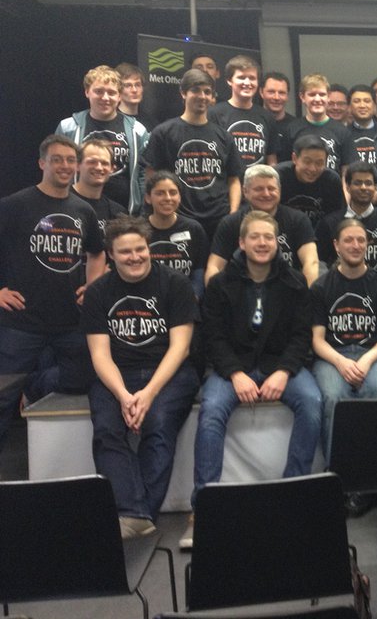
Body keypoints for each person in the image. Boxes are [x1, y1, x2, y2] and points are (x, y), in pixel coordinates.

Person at [185, 210, 322, 548]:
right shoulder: (219, 285)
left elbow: (301, 336)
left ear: (277, 243)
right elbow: (213, 338)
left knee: (313, 402)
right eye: (255, 237)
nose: (263, 243)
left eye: (269, 237)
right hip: (233, 369)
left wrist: (283, 371)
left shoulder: (294, 283)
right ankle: (204, 506)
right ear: (241, 242)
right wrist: (235, 374)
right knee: (211, 411)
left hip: (279, 365)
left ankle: (294, 492)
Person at [82, 216, 199, 538]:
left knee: (159, 424)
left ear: (149, 249)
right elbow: (99, 354)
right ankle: (136, 513)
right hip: (117, 375)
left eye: (140, 249)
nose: (134, 257)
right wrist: (123, 394)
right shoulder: (98, 293)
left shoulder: (174, 283)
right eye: (125, 252)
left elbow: (180, 348)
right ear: (111, 255)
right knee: (107, 429)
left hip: (169, 372)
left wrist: (147, 394)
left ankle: (135, 514)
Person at [0, 135, 106, 450]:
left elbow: (98, 253)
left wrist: (93, 285)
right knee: (3, 397)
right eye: (57, 159)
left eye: (70, 160)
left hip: (70, 323)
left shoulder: (83, 210)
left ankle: (33, 389)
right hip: (21, 322)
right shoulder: (15, 204)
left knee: (82, 383)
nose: (64, 166)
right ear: (42, 163)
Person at [310, 219, 377, 507]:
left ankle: (366, 478)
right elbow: (316, 340)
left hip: (371, 353)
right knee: (333, 397)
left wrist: (365, 360)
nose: (355, 246)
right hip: (332, 356)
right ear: (336, 245)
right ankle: (335, 475)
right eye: (348, 240)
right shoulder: (321, 286)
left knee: (375, 392)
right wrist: (341, 362)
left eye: (361, 240)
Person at [142, 68, 242, 241]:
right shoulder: (164, 132)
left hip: (218, 219)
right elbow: (152, 175)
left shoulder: (224, 136)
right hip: (179, 219)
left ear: (212, 97)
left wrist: (232, 214)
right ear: (183, 93)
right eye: (195, 90)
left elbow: (233, 179)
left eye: (207, 92)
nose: (202, 96)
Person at [206, 164, 319, 286]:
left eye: (271, 188)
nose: (266, 194)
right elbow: (214, 266)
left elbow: (311, 262)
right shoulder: (230, 223)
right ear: (245, 191)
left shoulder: (298, 219)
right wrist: (215, 298)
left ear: (279, 190)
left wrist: (306, 298)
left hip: (287, 291)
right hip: (240, 293)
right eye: (259, 189)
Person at [56, 65, 149, 213]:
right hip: (77, 211)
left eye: (111, 93)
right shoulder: (69, 127)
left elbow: (143, 176)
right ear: (87, 92)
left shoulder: (137, 130)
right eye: (98, 91)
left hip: (124, 213)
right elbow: (57, 169)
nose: (105, 98)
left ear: (119, 96)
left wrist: (142, 212)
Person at [316, 162, 377, 287]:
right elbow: (320, 263)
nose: (363, 187)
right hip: (337, 292)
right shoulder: (329, 222)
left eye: (368, 183)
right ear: (348, 187)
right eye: (357, 183)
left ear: (376, 187)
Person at [144, 170, 209, 300]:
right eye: (160, 193)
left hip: (185, 299)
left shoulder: (194, 229)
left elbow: (199, 270)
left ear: (179, 197)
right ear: (148, 198)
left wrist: (193, 297)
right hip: (147, 301)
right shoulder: (138, 229)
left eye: (173, 193)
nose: (167, 198)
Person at [207, 55, 278, 169]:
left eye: (252, 78)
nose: (247, 82)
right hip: (226, 183)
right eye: (241, 77)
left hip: (257, 184)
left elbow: (271, 158)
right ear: (229, 80)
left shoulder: (267, 116)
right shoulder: (214, 114)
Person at [286, 74, 359, 176]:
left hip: (331, 189)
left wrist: (344, 191)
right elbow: (286, 166)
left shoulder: (342, 132)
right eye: (312, 94)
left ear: (328, 97)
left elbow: (346, 170)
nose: (317, 99)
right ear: (302, 97)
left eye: (322, 94)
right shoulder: (292, 129)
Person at [274, 134, 345, 228]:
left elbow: (337, 215)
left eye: (319, 163)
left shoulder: (331, 180)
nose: (313, 169)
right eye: (307, 162)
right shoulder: (278, 176)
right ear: (294, 158)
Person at [73, 139, 126, 234]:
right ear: (77, 165)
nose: (98, 167)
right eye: (92, 162)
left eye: (104, 163)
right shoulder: (58, 201)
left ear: (112, 169)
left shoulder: (118, 213)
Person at [259, 71, 301, 162]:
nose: (276, 97)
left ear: (287, 96)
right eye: (271, 92)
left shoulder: (296, 126)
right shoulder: (252, 122)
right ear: (261, 92)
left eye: (281, 93)